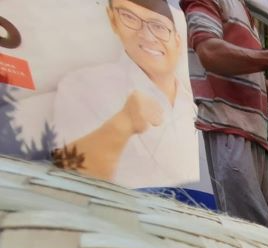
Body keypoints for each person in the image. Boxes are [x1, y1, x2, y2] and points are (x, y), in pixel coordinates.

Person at [181, 0, 268, 227]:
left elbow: (261, 92)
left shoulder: (246, 16)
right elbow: (210, 52)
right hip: (229, 129)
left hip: (254, 136)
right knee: (249, 232)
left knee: (262, 229)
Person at [53, 0, 199, 188]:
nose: (147, 36)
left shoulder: (194, 105)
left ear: (178, 41)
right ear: (113, 20)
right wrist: (122, 124)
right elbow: (69, 174)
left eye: (159, 27)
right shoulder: (83, 85)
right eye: (129, 17)